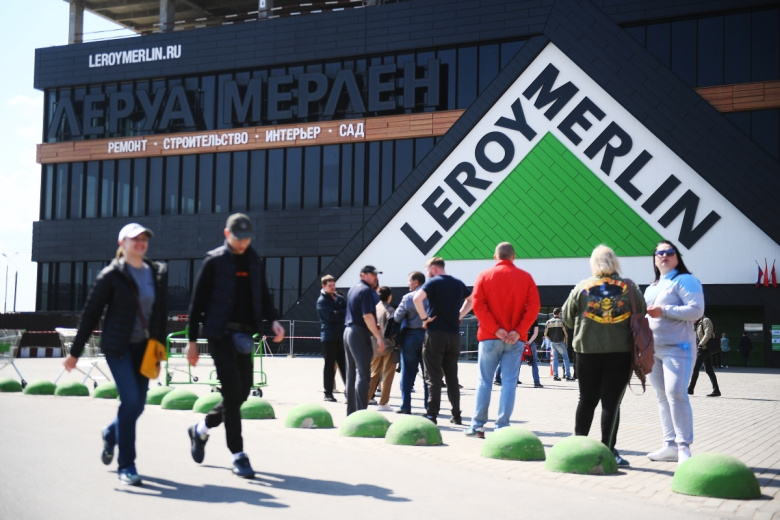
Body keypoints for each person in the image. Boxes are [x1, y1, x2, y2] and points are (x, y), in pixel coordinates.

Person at [63, 223, 168, 486]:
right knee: (130, 400)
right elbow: (90, 315)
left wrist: (159, 347)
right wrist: (75, 353)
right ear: (122, 243)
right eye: (135, 239)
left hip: (145, 349)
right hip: (118, 347)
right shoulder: (111, 275)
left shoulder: (156, 273)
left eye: (144, 239)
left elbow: (160, 313)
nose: (141, 243)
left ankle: (110, 433)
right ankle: (127, 465)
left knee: (138, 405)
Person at [185, 213, 285, 479]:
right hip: (220, 335)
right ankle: (238, 454)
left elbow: (263, 295)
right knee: (231, 392)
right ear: (227, 234)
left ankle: (201, 429)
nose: (243, 243)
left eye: (247, 239)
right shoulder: (214, 260)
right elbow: (196, 304)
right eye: (239, 238)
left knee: (241, 393)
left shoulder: (254, 260)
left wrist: (273, 321)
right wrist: (192, 342)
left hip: (244, 335)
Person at [562, 244, 644, 467]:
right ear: (615, 262)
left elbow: (567, 317)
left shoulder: (582, 287)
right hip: (620, 352)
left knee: (586, 399)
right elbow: (641, 312)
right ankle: (608, 451)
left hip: (586, 351)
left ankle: (578, 447)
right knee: (611, 403)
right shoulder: (629, 287)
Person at [465, 242, 540, 438]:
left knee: (485, 381)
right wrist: (518, 331)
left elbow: (478, 305)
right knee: (509, 382)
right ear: (513, 256)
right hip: (516, 339)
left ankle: (478, 426)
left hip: (489, 337)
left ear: (495, 257)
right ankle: (502, 426)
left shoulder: (484, 276)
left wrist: (496, 329)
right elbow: (534, 307)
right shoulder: (526, 277)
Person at [644, 239, 704, 464]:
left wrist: (664, 310)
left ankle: (683, 448)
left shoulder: (686, 280)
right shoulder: (652, 286)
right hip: (652, 349)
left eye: (669, 252)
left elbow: (696, 310)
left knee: (676, 393)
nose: (664, 256)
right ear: (654, 259)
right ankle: (669, 445)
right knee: (662, 396)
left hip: (678, 348)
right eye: (659, 253)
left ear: (677, 257)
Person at [413, 257, 472, 425]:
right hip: (453, 336)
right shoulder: (458, 283)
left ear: (433, 268)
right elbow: (472, 300)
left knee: (433, 375)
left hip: (435, 334)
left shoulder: (433, 283)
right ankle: (456, 415)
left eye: (427, 270)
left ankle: (432, 414)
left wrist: (425, 319)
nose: (427, 274)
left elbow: (417, 299)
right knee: (452, 377)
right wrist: (459, 315)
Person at [344, 265, 385, 415]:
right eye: (373, 275)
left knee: (351, 374)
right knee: (363, 374)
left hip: (348, 331)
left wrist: (373, 326)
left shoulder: (353, 288)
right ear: (363, 275)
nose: (376, 277)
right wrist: (378, 337)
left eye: (376, 275)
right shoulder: (366, 290)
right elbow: (367, 316)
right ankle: (361, 413)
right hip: (359, 332)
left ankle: (351, 413)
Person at [393, 271, 429, 414]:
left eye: (409, 281)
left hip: (410, 336)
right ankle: (429, 407)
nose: (408, 284)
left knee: (407, 372)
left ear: (415, 282)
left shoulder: (408, 297)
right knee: (428, 374)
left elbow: (397, 317)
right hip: (427, 336)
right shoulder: (431, 296)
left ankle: (405, 406)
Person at [316, 274, 347, 402]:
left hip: (341, 336)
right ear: (323, 286)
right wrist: (340, 313)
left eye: (334, 285)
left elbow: (348, 312)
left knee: (344, 365)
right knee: (329, 365)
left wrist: (338, 312)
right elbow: (330, 317)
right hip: (329, 337)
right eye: (330, 285)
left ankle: (349, 390)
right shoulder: (322, 301)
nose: (333, 287)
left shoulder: (339, 298)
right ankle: (328, 392)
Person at [367, 286, 397, 411]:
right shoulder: (390, 310)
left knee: (373, 374)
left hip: (374, 345)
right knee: (387, 376)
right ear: (389, 296)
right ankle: (383, 403)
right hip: (388, 345)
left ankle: (365, 398)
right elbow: (393, 327)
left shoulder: (374, 309)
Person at [688, 315, 721, 397]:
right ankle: (716, 390)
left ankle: (690, 389)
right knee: (709, 370)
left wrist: (700, 344)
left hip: (704, 348)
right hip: (703, 348)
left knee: (695, 367)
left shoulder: (706, 320)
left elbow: (708, 334)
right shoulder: (698, 323)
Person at [545, 308, 573, 381]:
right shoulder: (561, 322)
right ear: (559, 314)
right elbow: (566, 334)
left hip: (553, 342)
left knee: (555, 359)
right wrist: (566, 343)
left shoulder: (548, 322)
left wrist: (551, 339)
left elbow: (545, 334)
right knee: (566, 358)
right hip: (560, 342)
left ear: (553, 313)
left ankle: (555, 375)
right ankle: (567, 375)